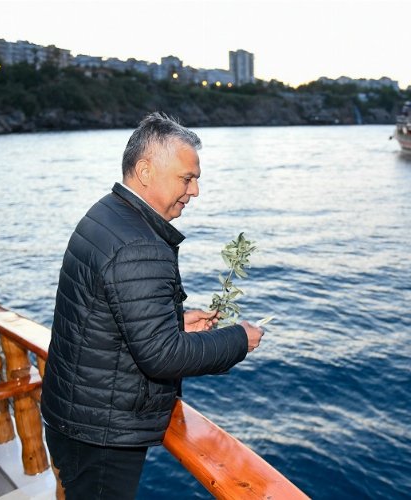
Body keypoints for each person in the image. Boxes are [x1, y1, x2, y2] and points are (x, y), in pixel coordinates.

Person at [40, 112, 264, 499]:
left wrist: (173, 320)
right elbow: (163, 357)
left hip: (77, 419)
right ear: (145, 171)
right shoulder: (140, 245)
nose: (194, 192)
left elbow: (102, 315)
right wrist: (239, 340)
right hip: (101, 434)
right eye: (186, 178)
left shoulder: (106, 215)